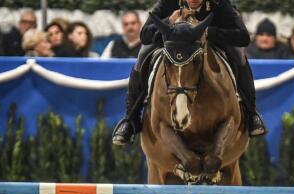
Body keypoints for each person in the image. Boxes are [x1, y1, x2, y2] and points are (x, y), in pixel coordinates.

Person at [112, 0, 266, 146]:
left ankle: (251, 113)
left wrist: (209, 32)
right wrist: (167, 22)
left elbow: (243, 37)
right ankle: (130, 120)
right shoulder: (168, 2)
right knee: (142, 54)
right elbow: (144, 35)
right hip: (174, 44)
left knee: (239, 55)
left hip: (210, 41)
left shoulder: (219, 3)